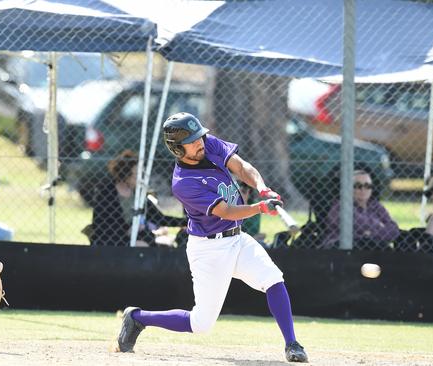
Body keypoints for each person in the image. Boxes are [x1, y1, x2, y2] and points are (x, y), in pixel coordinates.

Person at [115, 112, 308, 363]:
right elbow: (225, 212)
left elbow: (241, 167)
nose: (201, 143)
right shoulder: (183, 182)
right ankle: (137, 317)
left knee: (273, 279)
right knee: (201, 323)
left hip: (237, 239)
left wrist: (262, 188)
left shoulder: (209, 145)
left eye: (200, 137)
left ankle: (292, 344)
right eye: (193, 141)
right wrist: (260, 208)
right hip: (208, 250)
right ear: (176, 149)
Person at [89, 149, 186, 247]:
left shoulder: (137, 194)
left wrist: (186, 222)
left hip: (135, 236)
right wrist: (129, 231)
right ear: (126, 174)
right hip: (112, 240)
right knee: (142, 245)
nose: (141, 178)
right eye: (137, 175)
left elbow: (158, 217)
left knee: (158, 243)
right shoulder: (106, 193)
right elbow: (103, 226)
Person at [321, 170, 399, 250]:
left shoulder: (376, 205)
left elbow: (394, 229)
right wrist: (379, 226)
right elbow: (359, 225)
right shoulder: (340, 206)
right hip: (344, 249)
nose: (363, 189)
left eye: (368, 186)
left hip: (372, 246)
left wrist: (370, 233)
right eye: (358, 186)